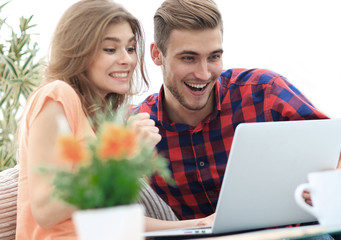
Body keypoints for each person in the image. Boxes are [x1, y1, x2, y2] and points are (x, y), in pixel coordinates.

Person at [136, 0, 339, 232]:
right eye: (189, 58)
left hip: (293, 235)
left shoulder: (265, 92)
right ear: (157, 55)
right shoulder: (137, 128)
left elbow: (334, 147)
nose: (204, 74)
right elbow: (104, 214)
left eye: (213, 57)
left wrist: (326, 186)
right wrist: (198, 225)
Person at [15, 0, 212, 239]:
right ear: (78, 50)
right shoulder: (57, 95)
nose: (127, 60)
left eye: (130, 49)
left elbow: (115, 220)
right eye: (110, 49)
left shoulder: (99, 123)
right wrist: (120, 157)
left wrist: (199, 224)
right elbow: (46, 210)